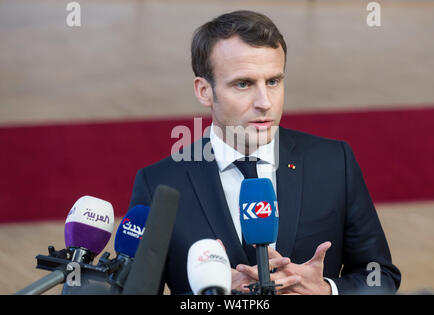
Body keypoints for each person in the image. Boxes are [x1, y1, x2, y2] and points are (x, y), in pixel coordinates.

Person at [128, 10, 401, 295]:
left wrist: (326, 290)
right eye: (243, 84)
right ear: (204, 91)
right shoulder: (159, 184)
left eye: (273, 81)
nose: (265, 102)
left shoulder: (334, 162)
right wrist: (210, 297)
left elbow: (380, 277)